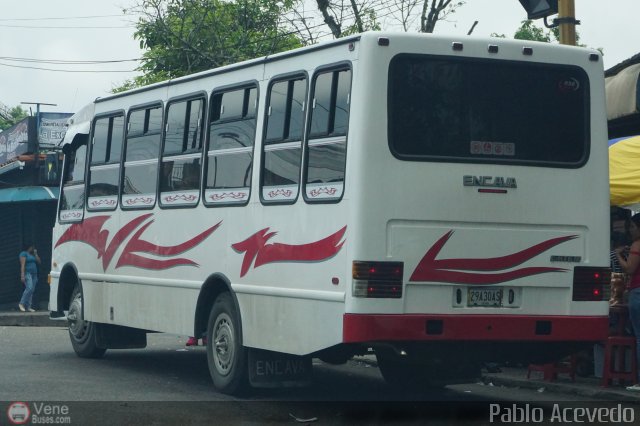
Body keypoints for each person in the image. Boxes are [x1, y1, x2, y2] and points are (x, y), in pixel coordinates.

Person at [614, 212, 640, 391]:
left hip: (638, 292)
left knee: (639, 338)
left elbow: (630, 269)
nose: (630, 230)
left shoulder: (637, 244)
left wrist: (618, 256)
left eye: (632, 227)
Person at [18, 243, 41, 312]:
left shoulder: (32, 255)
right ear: (29, 247)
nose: (33, 248)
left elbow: (39, 262)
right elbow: (22, 265)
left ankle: (28, 306)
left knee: (31, 290)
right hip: (27, 273)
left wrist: (36, 254)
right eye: (32, 247)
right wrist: (22, 275)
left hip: (34, 274)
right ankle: (21, 303)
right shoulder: (23, 254)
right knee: (29, 288)